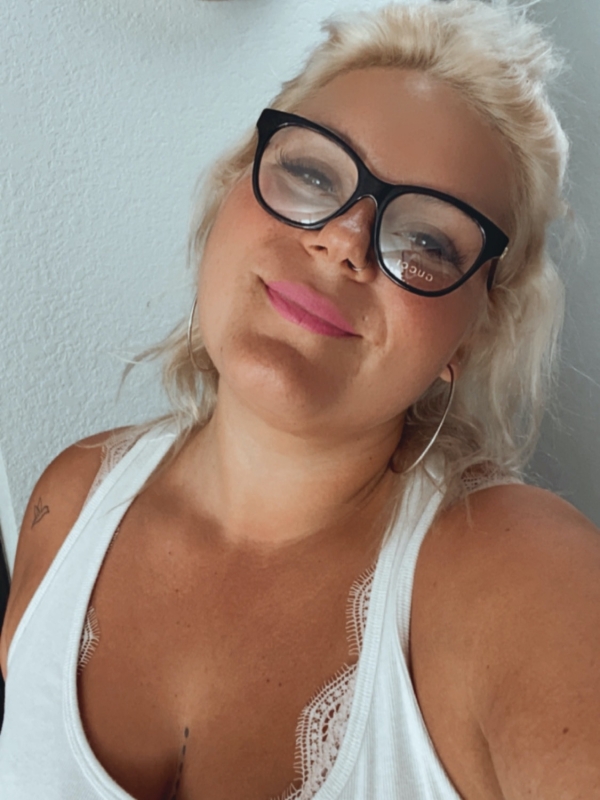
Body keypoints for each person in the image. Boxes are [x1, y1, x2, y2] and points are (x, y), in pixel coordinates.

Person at [1, 0, 599, 797]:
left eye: (426, 240)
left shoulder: (528, 578)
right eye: (314, 174)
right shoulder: (67, 501)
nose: (343, 240)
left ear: (470, 337)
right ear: (230, 192)